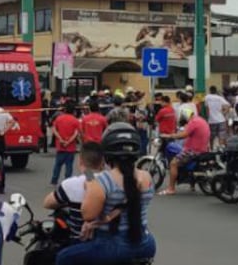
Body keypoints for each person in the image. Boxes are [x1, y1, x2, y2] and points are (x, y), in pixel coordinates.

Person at [54, 124, 156, 265]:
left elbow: (88, 214)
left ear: (107, 152)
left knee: (63, 257)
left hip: (112, 246)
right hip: (146, 243)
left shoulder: (101, 181)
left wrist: (87, 172)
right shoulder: (146, 177)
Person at [44, 142, 105, 240]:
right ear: (102, 162)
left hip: (78, 240)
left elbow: (47, 203)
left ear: (80, 161)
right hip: (106, 241)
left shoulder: (71, 184)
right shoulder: (111, 181)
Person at [158, 109, 210, 196]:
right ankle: (191, 184)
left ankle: (171, 189)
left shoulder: (193, 122)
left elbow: (183, 135)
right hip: (202, 149)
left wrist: (169, 135)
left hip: (193, 150)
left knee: (173, 163)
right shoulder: (201, 120)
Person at [51, 102, 81, 186]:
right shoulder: (75, 120)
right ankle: (67, 181)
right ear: (74, 111)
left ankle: (54, 180)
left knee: (57, 164)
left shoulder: (59, 118)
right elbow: (76, 133)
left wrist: (60, 139)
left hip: (60, 146)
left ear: (65, 109)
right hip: (70, 147)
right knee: (69, 166)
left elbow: (54, 129)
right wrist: (69, 141)